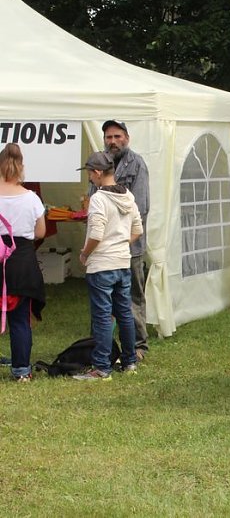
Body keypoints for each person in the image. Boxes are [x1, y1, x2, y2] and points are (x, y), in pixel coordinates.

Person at [75, 151, 143, 381]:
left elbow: (95, 233)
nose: (90, 179)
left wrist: (85, 254)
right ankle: (129, 361)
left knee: (103, 316)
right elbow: (138, 230)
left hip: (101, 264)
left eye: (90, 175)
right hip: (122, 262)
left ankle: (102, 367)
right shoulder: (128, 196)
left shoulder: (99, 199)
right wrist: (121, 243)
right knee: (124, 313)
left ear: (97, 172)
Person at [97, 120, 150, 361]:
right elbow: (94, 199)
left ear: (127, 138)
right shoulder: (101, 164)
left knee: (132, 297)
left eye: (117, 136)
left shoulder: (136, 163)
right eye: (109, 137)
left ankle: (139, 346)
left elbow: (141, 207)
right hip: (105, 247)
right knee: (104, 297)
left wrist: (120, 236)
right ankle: (104, 346)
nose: (113, 141)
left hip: (131, 245)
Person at [0, 144, 46, 382]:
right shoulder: (32, 198)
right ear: (21, 167)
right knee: (19, 319)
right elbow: (40, 232)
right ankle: (21, 371)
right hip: (22, 262)